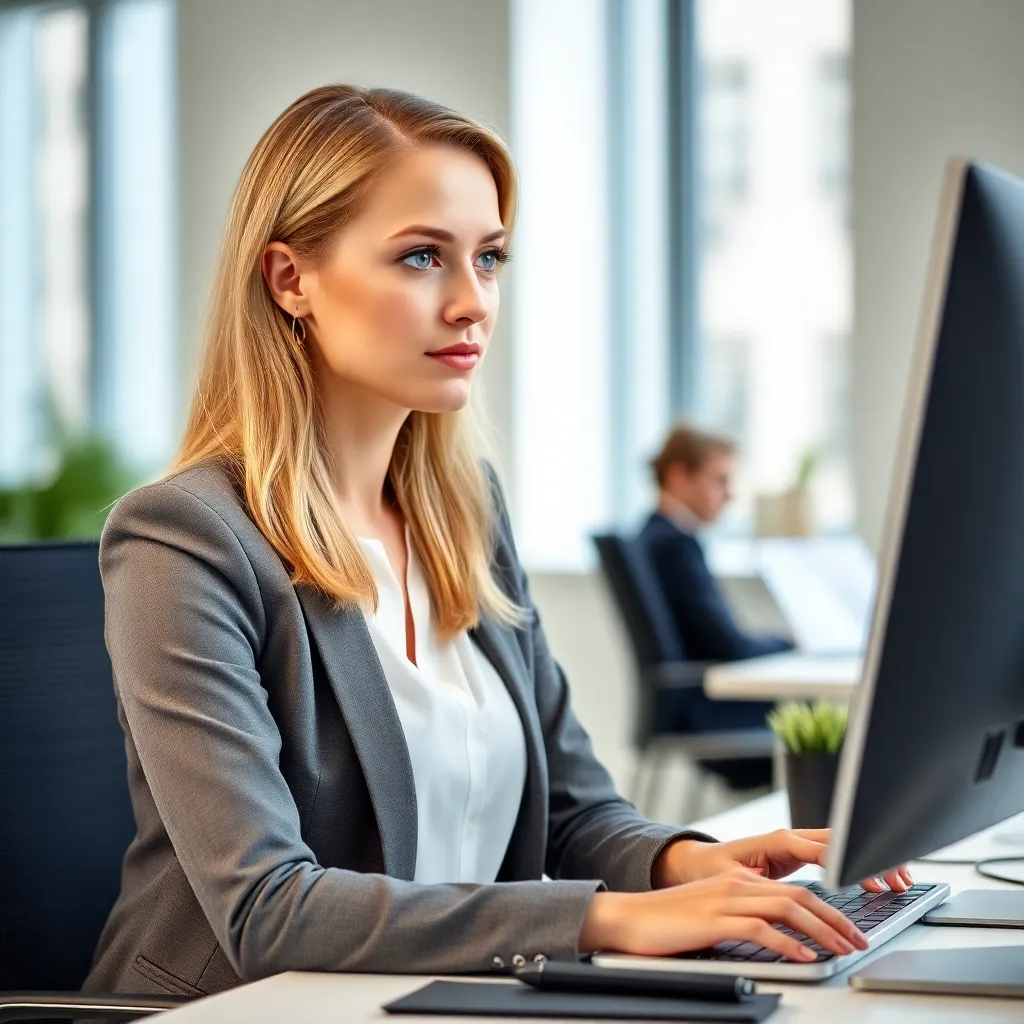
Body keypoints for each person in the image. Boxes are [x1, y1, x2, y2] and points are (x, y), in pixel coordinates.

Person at [83, 85, 908, 999]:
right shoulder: (188, 539)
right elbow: (269, 909)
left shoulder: (464, 509)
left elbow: (572, 805)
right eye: (423, 257)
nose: (473, 302)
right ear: (290, 280)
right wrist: (606, 917)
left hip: (446, 1000)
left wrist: (693, 865)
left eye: (490, 258)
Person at [637, 424, 793, 790]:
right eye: (719, 481)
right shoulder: (675, 547)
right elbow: (730, 646)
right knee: (839, 731)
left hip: (687, 705)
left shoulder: (652, 537)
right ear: (678, 475)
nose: (729, 495)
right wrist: (788, 642)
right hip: (710, 714)